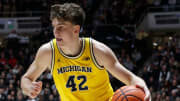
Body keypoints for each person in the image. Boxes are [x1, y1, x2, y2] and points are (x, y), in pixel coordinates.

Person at [21, 3, 151, 101]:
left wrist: (142, 86)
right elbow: (26, 79)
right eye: (54, 27)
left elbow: (129, 78)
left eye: (61, 27)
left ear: (76, 30)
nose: (55, 32)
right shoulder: (48, 52)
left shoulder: (97, 50)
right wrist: (28, 88)